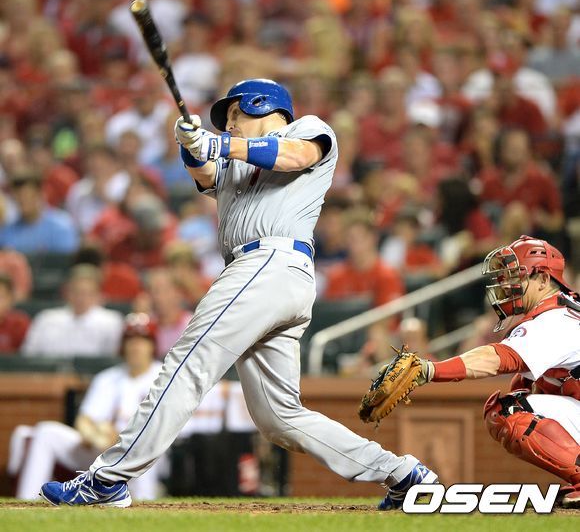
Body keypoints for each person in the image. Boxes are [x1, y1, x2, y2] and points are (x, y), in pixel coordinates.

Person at [40, 78, 437, 509]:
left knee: (188, 364)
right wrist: (191, 146)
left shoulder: (306, 128)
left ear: (261, 105)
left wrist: (218, 144)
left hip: (269, 261)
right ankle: (403, 474)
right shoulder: (234, 159)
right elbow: (205, 173)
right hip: (266, 276)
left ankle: (108, 479)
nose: (227, 125)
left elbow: (294, 156)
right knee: (280, 418)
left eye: (234, 114)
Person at [393, 236, 579, 508]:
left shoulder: (554, 318)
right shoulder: (564, 310)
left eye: (516, 276)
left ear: (542, 279)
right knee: (523, 391)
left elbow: (496, 359)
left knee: (508, 411)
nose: (506, 285)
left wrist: (431, 369)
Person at [9, 314, 163, 500]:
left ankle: (147, 503)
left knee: (141, 447)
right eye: (131, 340)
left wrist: (121, 438)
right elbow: (84, 420)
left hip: (145, 453)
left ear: (152, 345)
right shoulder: (107, 378)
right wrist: (93, 435)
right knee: (46, 432)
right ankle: (28, 500)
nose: (136, 346)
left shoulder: (164, 377)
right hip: (103, 449)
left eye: (143, 340)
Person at [21, 265, 123, 357]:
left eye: (86, 293)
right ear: (67, 292)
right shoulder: (46, 319)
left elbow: (113, 357)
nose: (81, 298)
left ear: (97, 295)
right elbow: (28, 356)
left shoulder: (112, 321)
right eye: (76, 291)